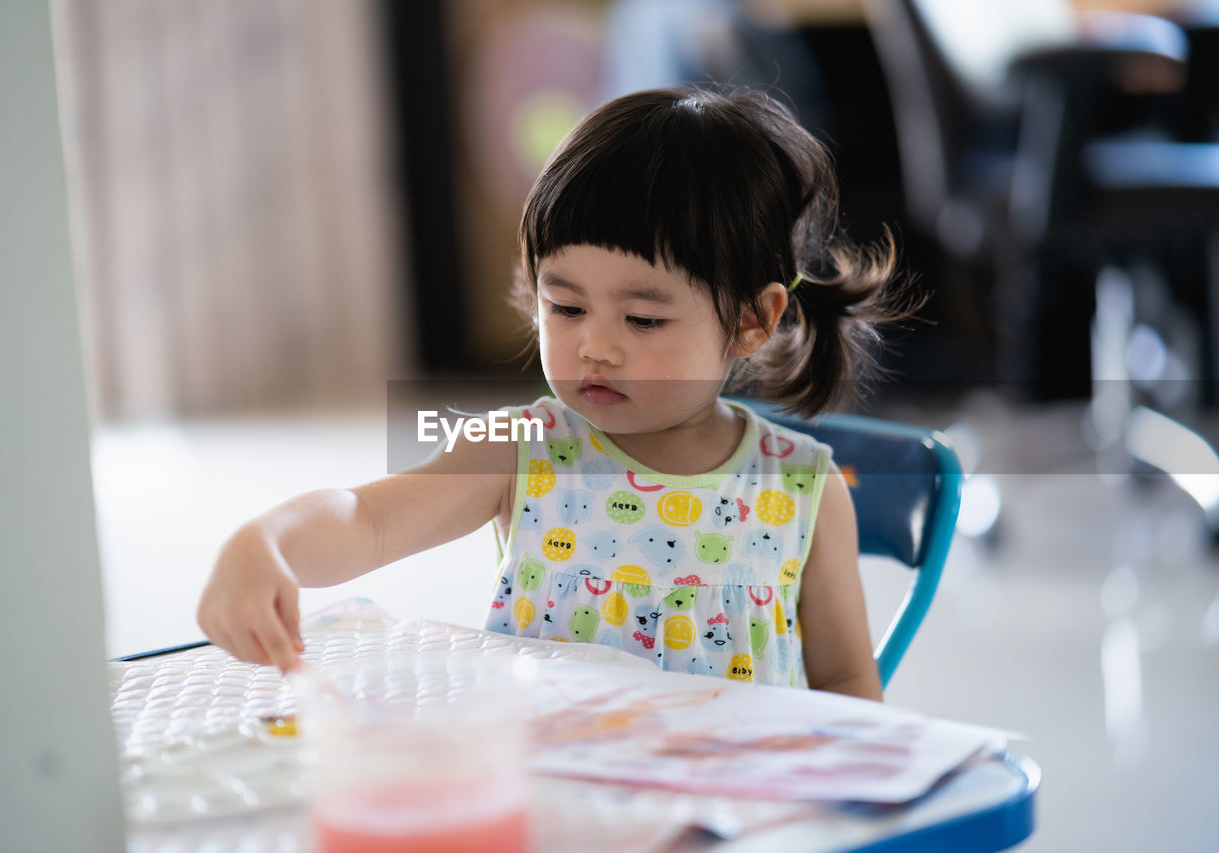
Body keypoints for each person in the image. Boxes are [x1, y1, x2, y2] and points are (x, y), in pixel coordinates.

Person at [197, 87, 916, 701]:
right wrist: (264, 543)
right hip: (556, 803)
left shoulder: (804, 487)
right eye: (566, 307)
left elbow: (850, 687)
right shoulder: (519, 448)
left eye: (642, 318)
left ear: (753, 320)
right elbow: (364, 519)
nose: (595, 345)